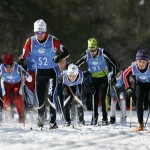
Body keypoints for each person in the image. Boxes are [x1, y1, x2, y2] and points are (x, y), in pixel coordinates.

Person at [19, 19, 69, 128]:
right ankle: (41, 117)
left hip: (52, 72)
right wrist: (21, 62)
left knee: (51, 97)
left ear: (45, 31)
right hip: (40, 73)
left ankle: (53, 121)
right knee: (40, 99)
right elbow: (23, 56)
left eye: (41, 33)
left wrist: (59, 57)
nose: (39, 35)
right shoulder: (30, 41)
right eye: (37, 32)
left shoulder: (52, 40)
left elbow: (66, 52)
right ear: (34, 32)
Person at [76, 38, 118, 125]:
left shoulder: (103, 52)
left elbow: (114, 64)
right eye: (90, 50)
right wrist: (76, 73)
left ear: (97, 48)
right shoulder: (86, 54)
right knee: (94, 97)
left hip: (103, 78)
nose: (92, 52)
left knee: (103, 97)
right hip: (92, 78)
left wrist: (113, 76)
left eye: (94, 50)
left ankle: (105, 118)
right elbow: (76, 65)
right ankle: (94, 117)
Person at [0, 54, 32, 123]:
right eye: (6, 66)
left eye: (10, 66)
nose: (8, 69)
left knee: (18, 98)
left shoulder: (18, 68)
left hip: (17, 85)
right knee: (6, 100)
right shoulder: (1, 68)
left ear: (13, 64)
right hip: (6, 85)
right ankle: (7, 116)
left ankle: (21, 117)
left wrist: (25, 75)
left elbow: (30, 79)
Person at [123, 50, 150, 131]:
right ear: (136, 61)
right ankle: (141, 124)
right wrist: (128, 88)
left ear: (147, 61)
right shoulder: (133, 67)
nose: (141, 64)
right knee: (138, 101)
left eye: (143, 62)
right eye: (139, 61)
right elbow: (125, 74)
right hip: (140, 84)